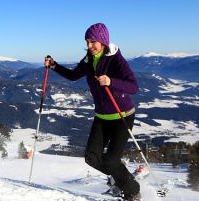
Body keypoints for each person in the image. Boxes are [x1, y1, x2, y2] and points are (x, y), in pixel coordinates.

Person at [45, 23, 141, 200]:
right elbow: (74, 76)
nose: (89, 46)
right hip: (102, 117)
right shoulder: (89, 59)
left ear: (103, 41)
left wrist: (111, 81)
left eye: (93, 41)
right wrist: (54, 66)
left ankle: (132, 191)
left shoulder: (116, 60)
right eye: (87, 42)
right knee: (91, 157)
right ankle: (121, 176)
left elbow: (134, 87)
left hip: (122, 116)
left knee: (111, 160)